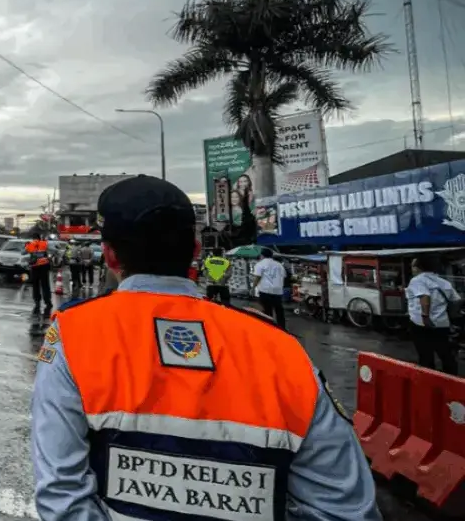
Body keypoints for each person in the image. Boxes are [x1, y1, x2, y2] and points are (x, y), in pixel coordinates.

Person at [31, 175, 380, 521]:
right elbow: (345, 508)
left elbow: (63, 494)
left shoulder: (77, 333)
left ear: (108, 255)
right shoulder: (280, 348)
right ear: (196, 250)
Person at [406, 254, 460, 375]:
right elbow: (456, 301)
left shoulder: (417, 280)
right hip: (442, 323)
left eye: (413, 266)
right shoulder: (443, 282)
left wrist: (425, 317)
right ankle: (452, 380)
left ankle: (428, 382)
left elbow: (425, 296)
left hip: (421, 324)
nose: (412, 269)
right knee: (445, 354)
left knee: (425, 355)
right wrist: (450, 315)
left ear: (418, 267)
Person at [253, 247, 288, 330]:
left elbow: (257, 277)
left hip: (265, 290)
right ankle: (282, 328)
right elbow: (284, 276)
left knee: (267, 311)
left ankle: (269, 328)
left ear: (262, 255)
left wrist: (253, 288)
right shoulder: (279, 265)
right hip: (278, 291)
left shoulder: (260, 264)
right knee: (279, 310)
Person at [25, 232, 52, 317]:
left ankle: (37, 301)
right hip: (44, 266)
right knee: (45, 285)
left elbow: (23, 252)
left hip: (35, 267)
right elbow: (53, 250)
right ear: (40, 237)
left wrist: (27, 246)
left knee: (35, 285)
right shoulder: (44, 243)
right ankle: (48, 302)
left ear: (33, 238)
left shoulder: (30, 244)